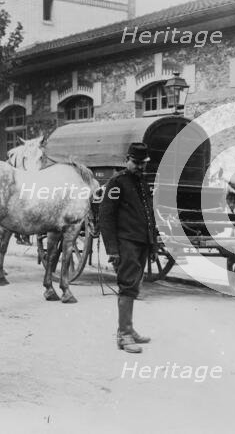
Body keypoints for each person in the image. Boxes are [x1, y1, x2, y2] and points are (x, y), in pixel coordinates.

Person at [99, 143, 158, 353]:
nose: (139, 167)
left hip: (141, 241)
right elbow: (106, 217)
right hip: (126, 243)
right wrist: (112, 249)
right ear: (127, 159)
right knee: (127, 285)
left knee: (134, 285)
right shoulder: (117, 183)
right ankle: (123, 335)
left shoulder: (142, 181)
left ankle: (129, 329)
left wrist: (152, 242)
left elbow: (148, 213)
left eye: (143, 164)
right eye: (136, 163)